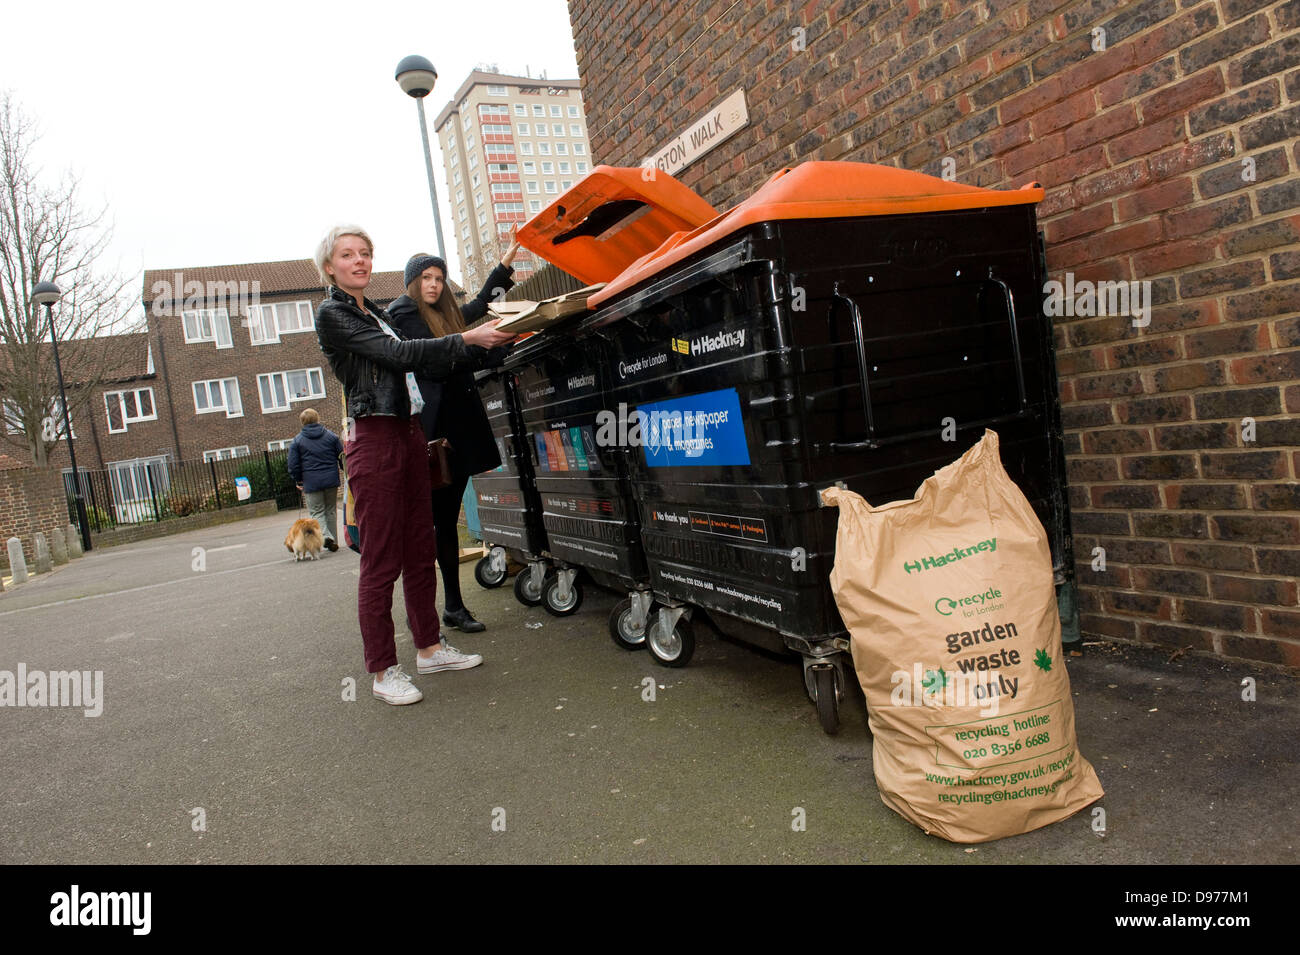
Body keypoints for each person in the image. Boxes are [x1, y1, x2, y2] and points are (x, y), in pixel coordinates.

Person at [312, 224, 515, 705]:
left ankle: (429, 647)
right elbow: (399, 354)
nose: (359, 261)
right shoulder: (333, 314)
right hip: (375, 437)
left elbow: (435, 336)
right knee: (382, 561)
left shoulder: (376, 312)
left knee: (422, 547)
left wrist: (481, 324)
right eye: (348, 255)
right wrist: (468, 340)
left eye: (365, 253)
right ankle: (383, 671)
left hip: (409, 434)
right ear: (330, 267)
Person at [386, 226, 521, 634]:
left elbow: (477, 306)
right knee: (433, 522)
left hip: (458, 430)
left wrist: (504, 266)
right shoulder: (403, 313)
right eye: (426, 277)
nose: (433, 284)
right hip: (434, 434)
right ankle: (428, 613)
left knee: (446, 520)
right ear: (413, 282)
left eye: (439, 278)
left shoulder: (444, 315)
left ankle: (453, 608)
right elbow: (433, 362)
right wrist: (486, 350)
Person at [287, 407, 343, 551]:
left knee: (317, 512)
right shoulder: (331, 436)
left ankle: (325, 537)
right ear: (317, 418)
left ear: (302, 422)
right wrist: (344, 470)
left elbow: (293, 465)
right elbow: (342, 456)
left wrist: (298, 480)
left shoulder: (297, 441)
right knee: (331, 510)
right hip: (331, 479)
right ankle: (333, 540)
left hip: (311, 482)